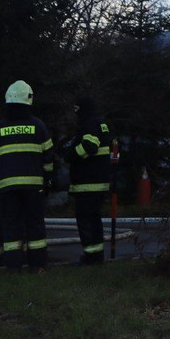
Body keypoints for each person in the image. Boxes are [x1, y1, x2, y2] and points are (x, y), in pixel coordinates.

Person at [0, 80, 54, 272]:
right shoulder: (38, 126)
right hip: (34, 188)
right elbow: (49, 157)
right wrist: (47, 180)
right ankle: (38, 265)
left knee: (11, 226)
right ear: (28, 101)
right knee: (35, 226)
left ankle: (13, 267)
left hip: (7, 188)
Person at [65, 96, 112, 265]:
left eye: (77, 111)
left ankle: (91, 257)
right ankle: (96, 255)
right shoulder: (101, 124)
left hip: (88, 183)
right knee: (94, 220)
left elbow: (89, 147)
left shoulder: (90, 124)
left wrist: (70, 153)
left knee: (85, 220)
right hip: (98, 182)